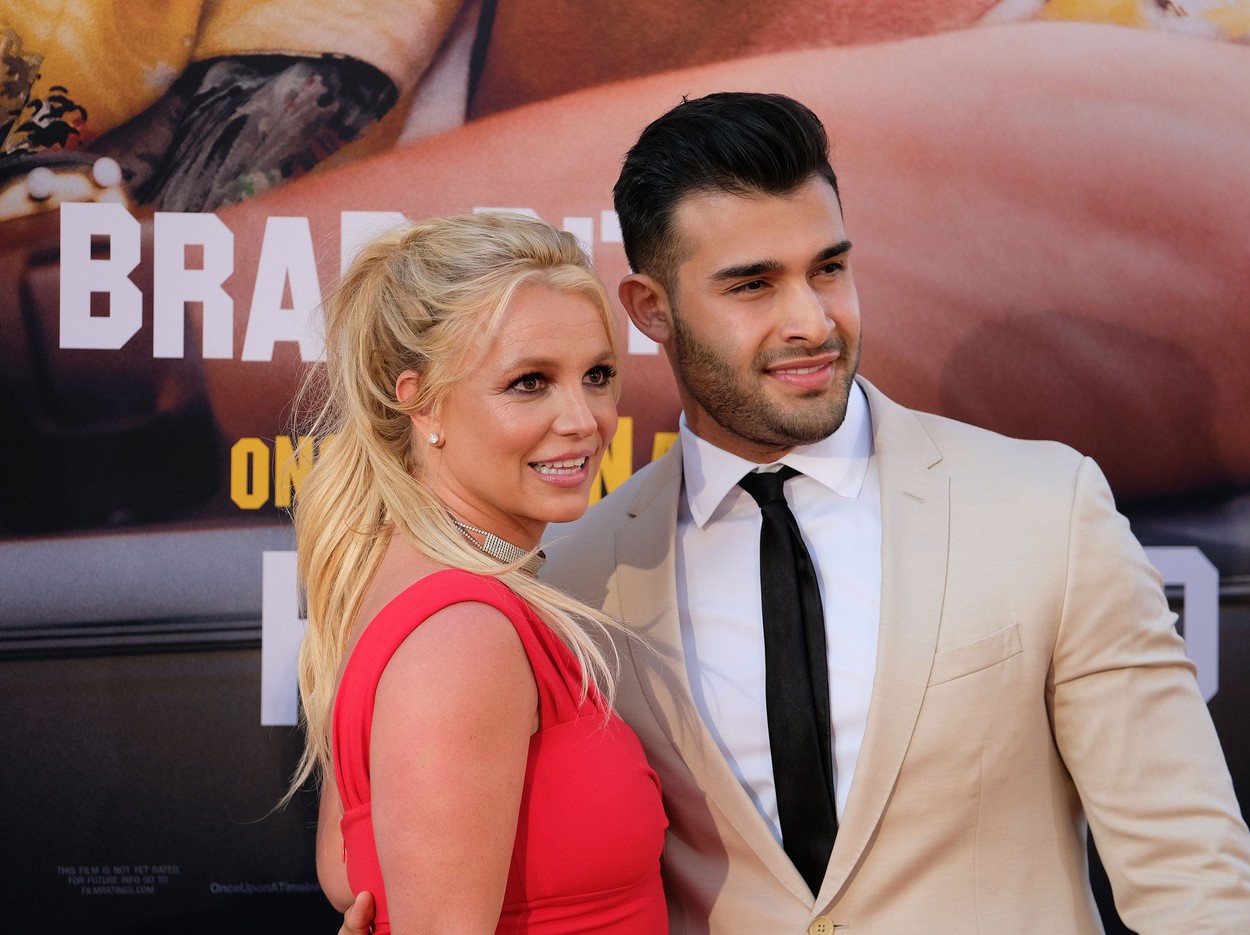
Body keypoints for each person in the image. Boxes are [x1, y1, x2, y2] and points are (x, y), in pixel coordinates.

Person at [339, 92, 1250, 933]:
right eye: (753, 285)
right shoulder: (578, 580)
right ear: (652, 309)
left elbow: (1190, 867)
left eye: (830, 269)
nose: (812, 320)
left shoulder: (1044, 507)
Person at [292, 210, 667, 933]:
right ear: (422, 401)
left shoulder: (410, 589)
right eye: (530, 382)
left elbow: (350, 876)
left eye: (597, 376)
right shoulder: (463, 635)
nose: (584, 419)